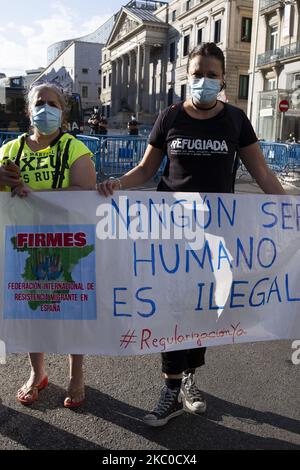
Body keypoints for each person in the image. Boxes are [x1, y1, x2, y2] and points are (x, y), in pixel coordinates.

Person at [98, 43, 286, 427]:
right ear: (188, 76)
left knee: (204, 308)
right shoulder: (169, 117)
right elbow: (146, 170)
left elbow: (263, 174)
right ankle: (170, 385)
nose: (203, 80)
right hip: (171, 234)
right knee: (172, 308)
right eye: (197, 73)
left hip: (218, 234)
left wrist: (291, 209)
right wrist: (117, 183)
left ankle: (190, 378)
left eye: (211, 75)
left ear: (222, 80)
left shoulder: (236, 120)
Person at [0, 82, 96, 407]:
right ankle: (37, 373)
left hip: (68, 245)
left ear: (63, 112)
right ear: (29, 110)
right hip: (23, 246)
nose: (46, 108)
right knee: (30, 311)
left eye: (53, 103)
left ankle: (76, 376)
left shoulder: (75, 149)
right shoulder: (10, 151)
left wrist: (33, 193)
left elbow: (86, 193)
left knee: (72, 313)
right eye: (39, 102)